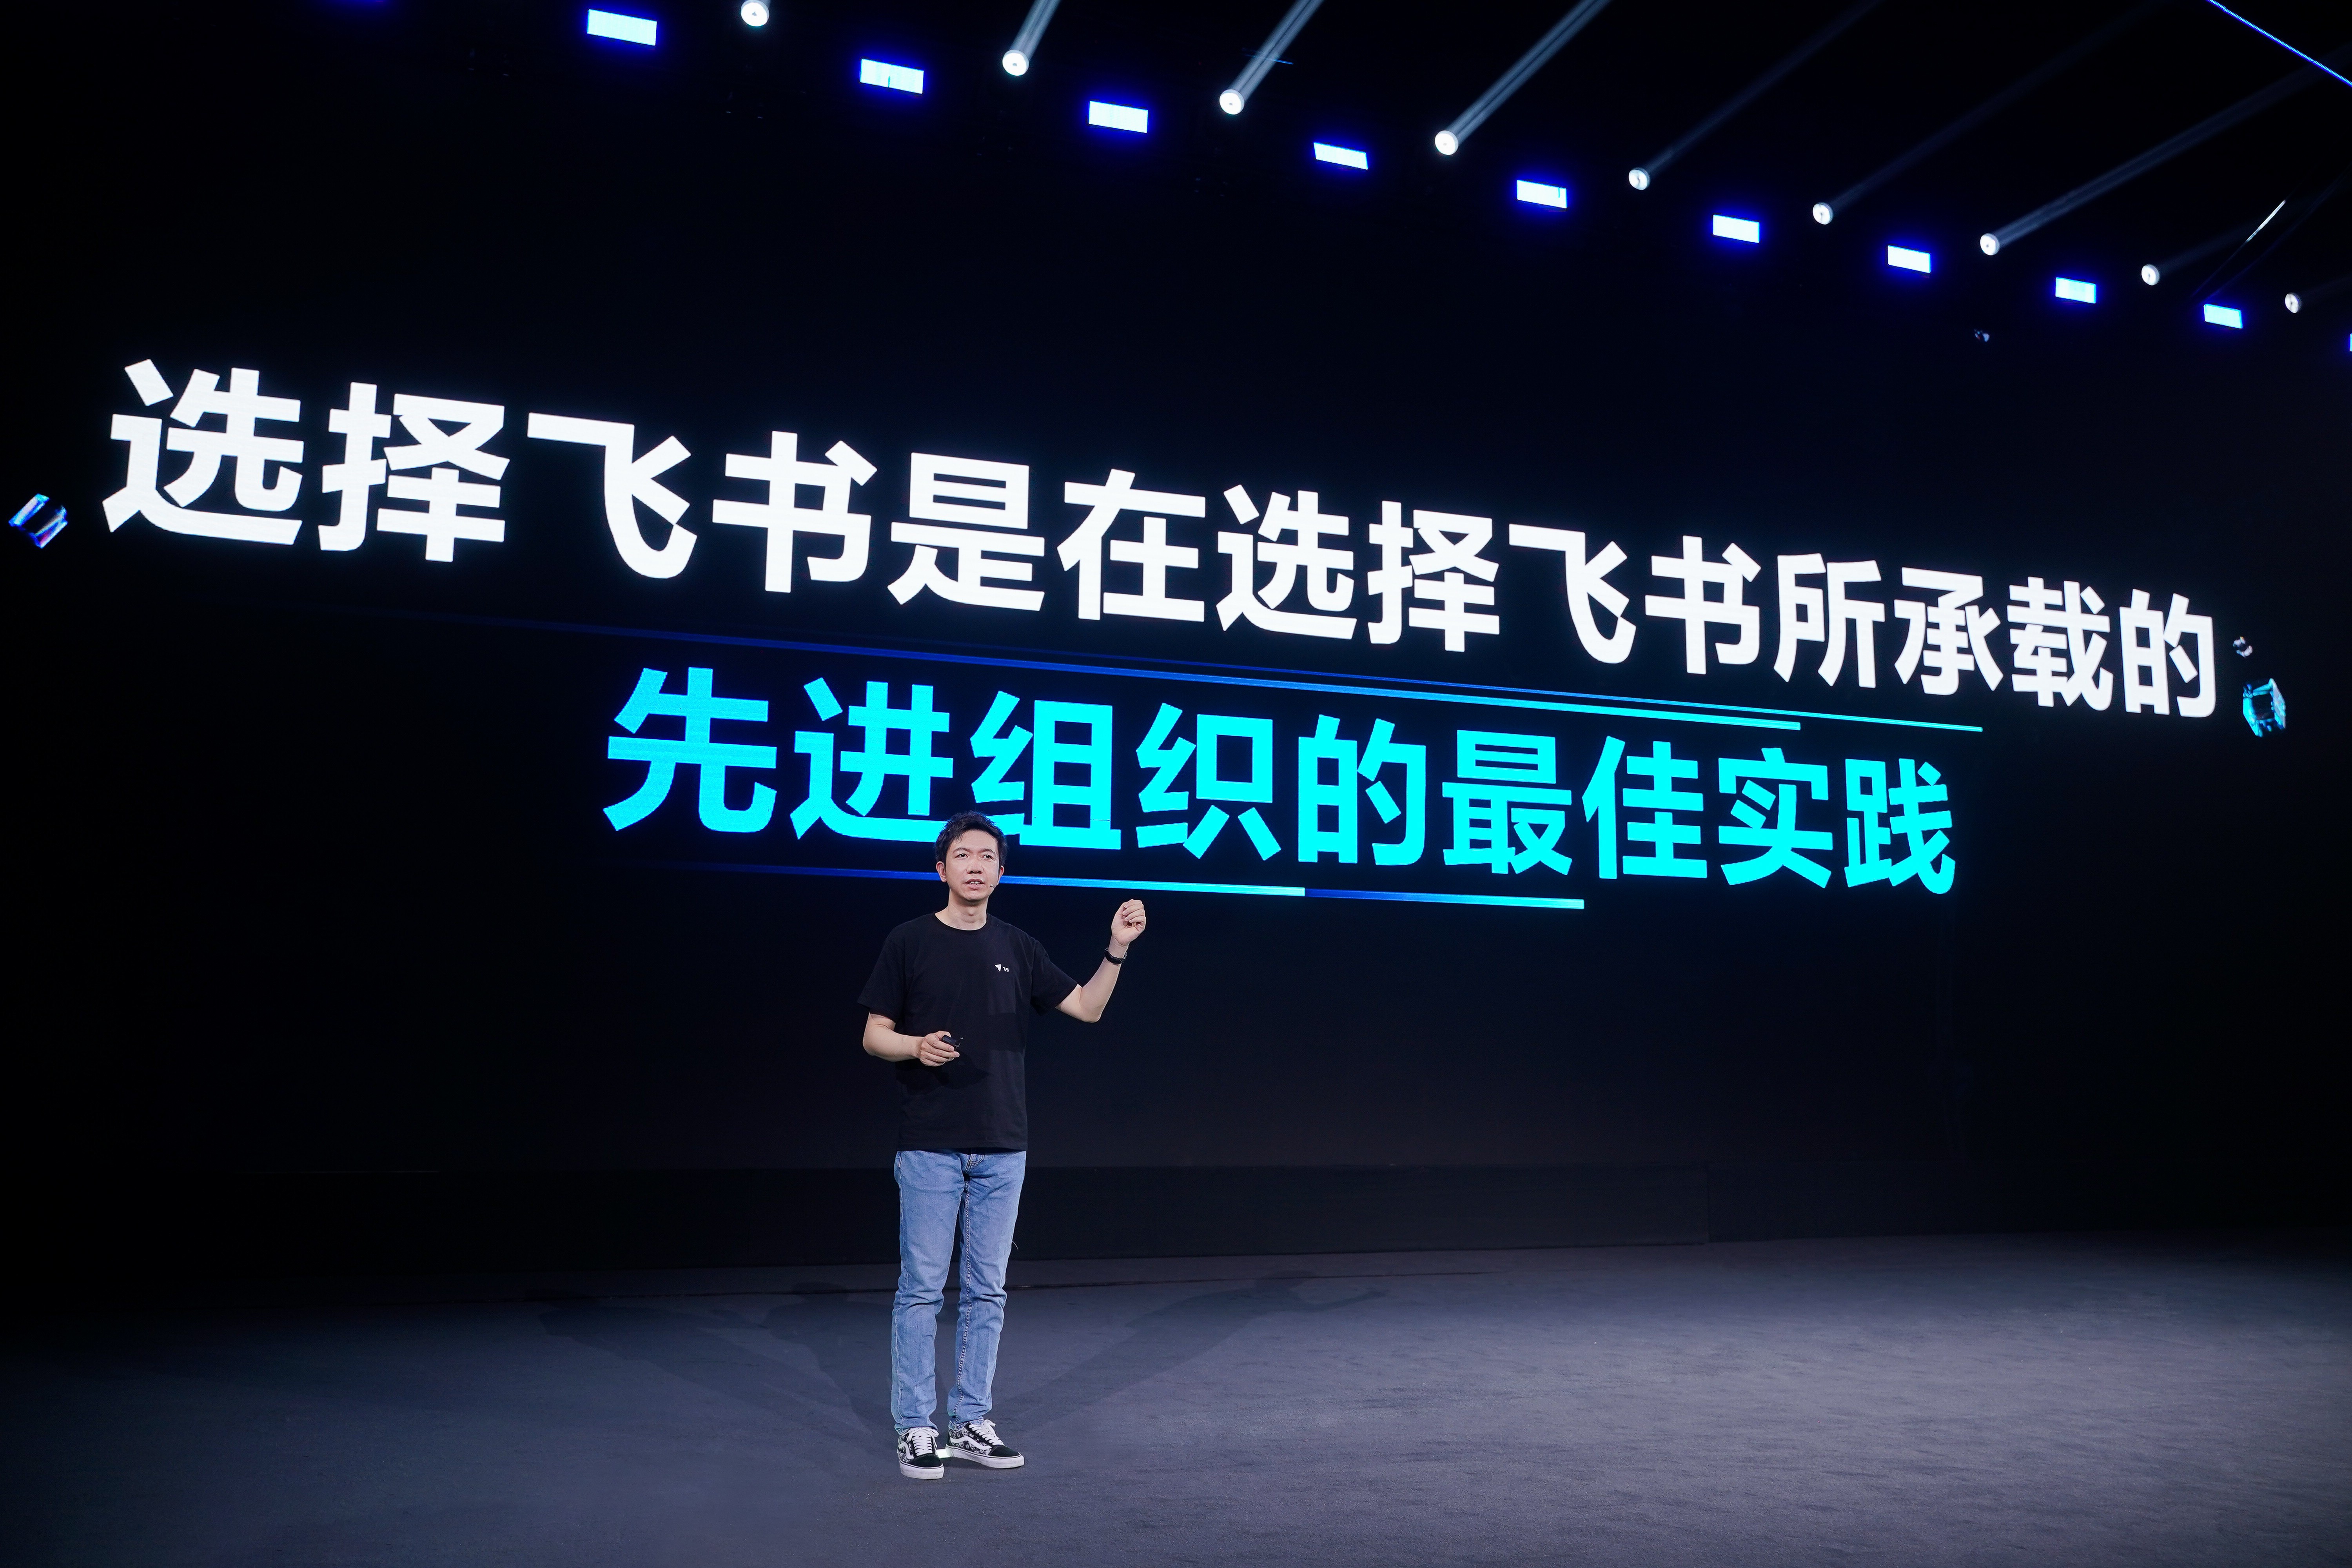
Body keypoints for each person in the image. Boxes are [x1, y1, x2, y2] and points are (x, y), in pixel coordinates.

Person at [858, 810, 1147, 1480]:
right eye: (964, 855)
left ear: (1001, 872)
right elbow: (874, 1034)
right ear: (942, 868)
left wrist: (1117, 949)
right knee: (922, 1290)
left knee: (988, 1292)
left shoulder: (1018, 945)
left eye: (988, 857)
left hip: (1003, 1146)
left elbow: (1087, 1008)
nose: (976, 866)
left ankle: (970, 1423)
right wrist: (915, 1046)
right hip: (930, 1143)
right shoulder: (909, 941)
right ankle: (915, 1426)